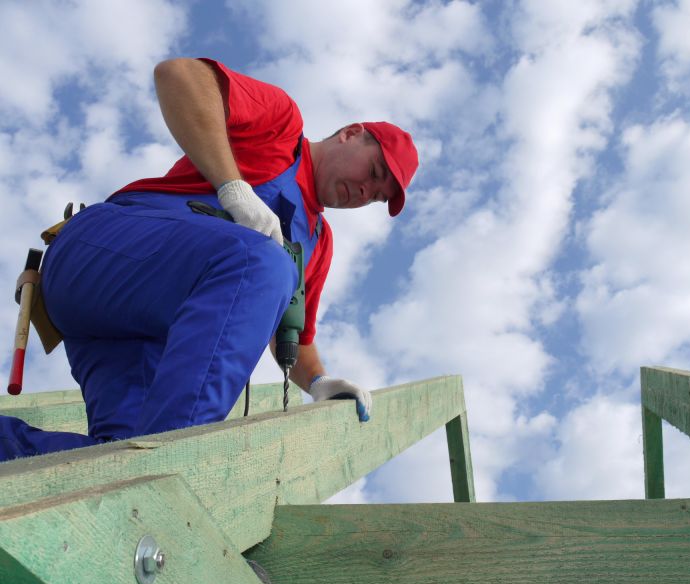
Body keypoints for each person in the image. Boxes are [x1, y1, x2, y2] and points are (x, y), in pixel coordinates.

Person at [0, 57, 418, 461]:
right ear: (350, 133)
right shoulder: (280, 127)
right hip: (100, 258)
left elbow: (293, 335)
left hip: (143, 337)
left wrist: (319, 382)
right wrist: (232, 187)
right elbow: (179, 75)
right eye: (375, 172)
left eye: (377, 196)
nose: (368, 191)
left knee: (113, 462)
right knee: (262, 264)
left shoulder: (317, 244)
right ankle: (175, 460)